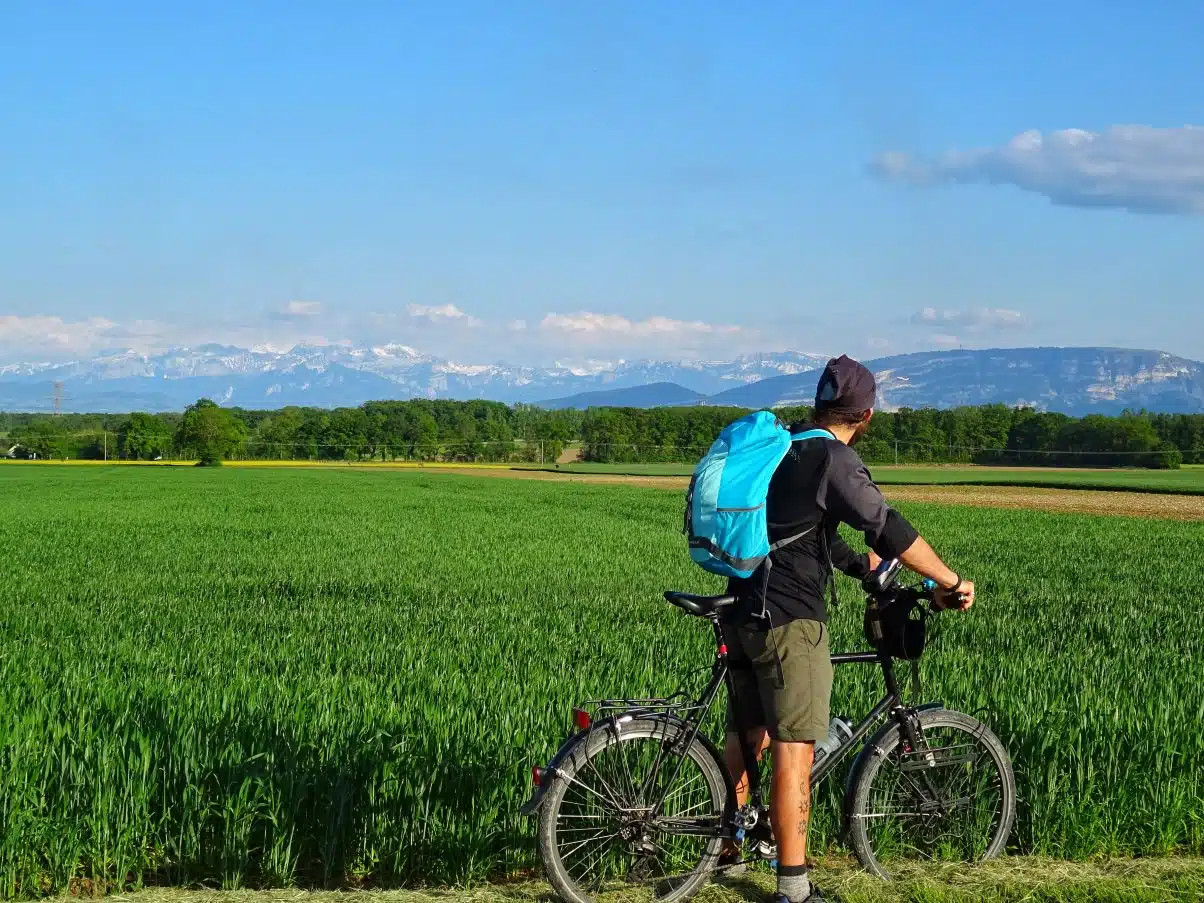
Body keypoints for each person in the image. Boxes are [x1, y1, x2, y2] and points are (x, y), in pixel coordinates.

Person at [719, 354, 975, 903]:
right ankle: (794, 888)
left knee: (748, 734)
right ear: (867, 415)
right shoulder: (834, 459)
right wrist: (950, 580)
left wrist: (864, 571)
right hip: (789, 619)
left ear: (817, 402)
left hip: (743, 610)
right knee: (794, 749)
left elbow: (806, 533)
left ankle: (724, 852)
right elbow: (888, 527)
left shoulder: (784, 447)